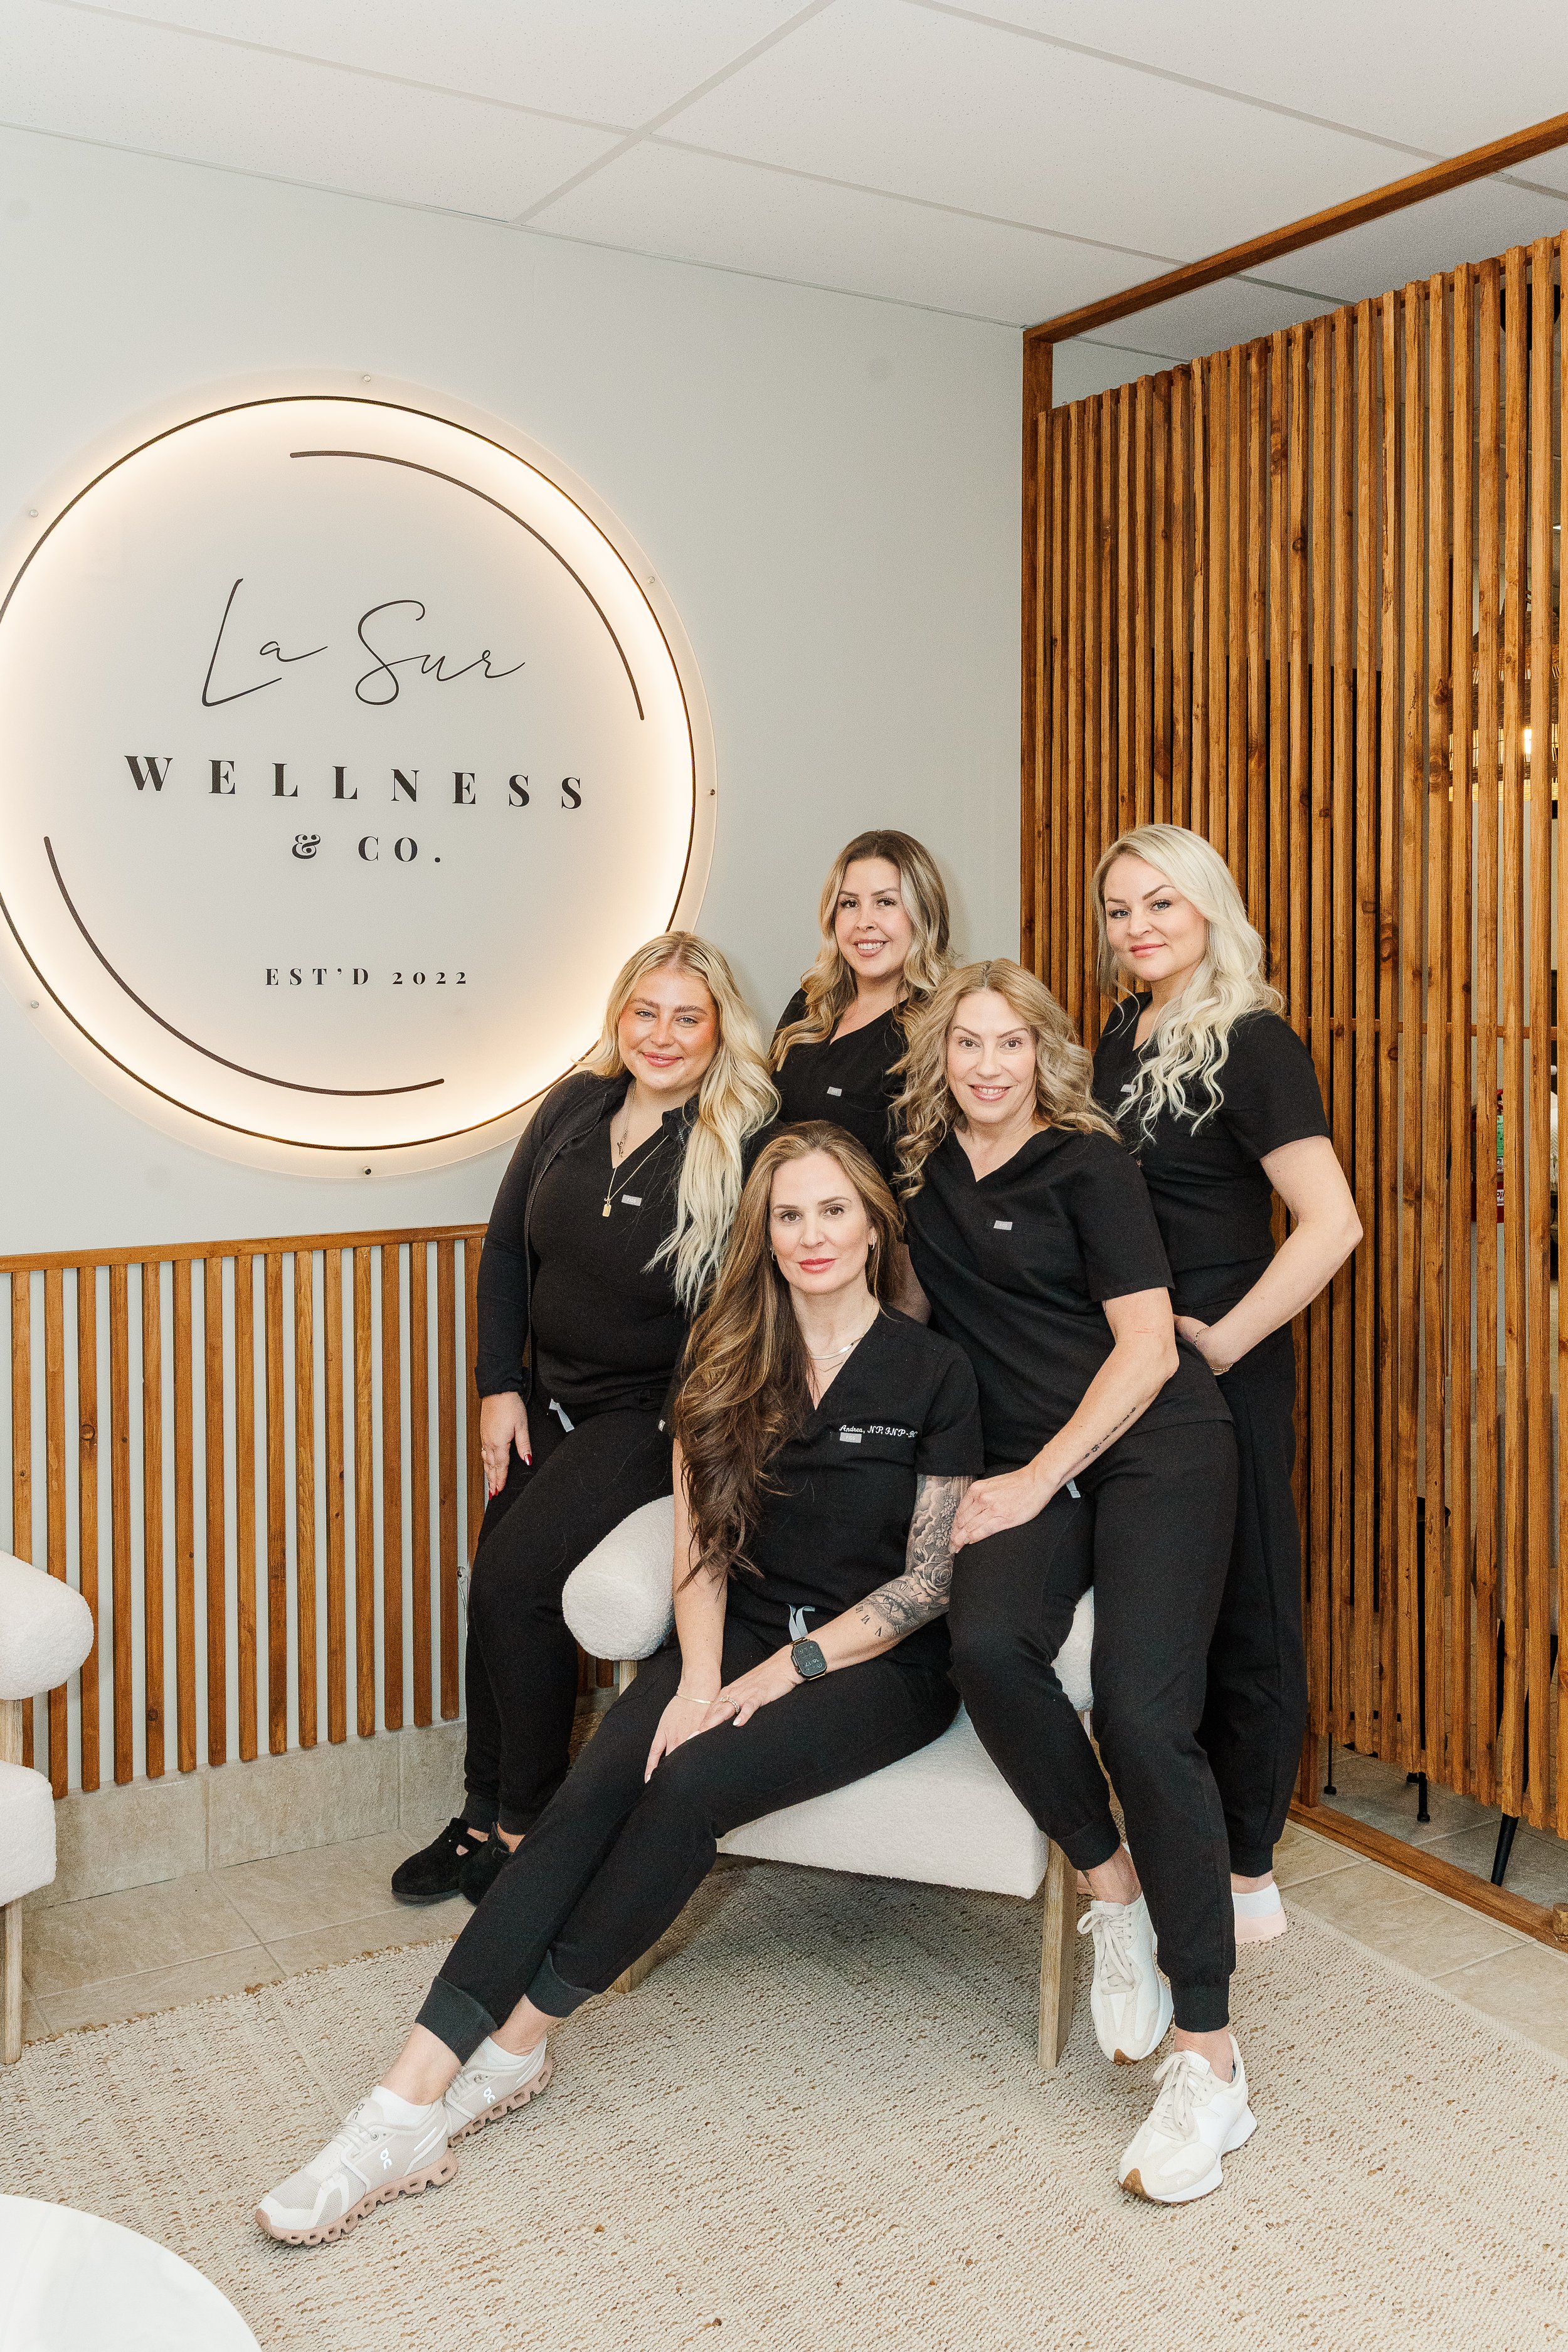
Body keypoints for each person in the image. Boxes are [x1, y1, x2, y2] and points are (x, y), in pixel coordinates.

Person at [257, 1125, 982, 2247]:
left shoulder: (935, 1372)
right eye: (788, 1215)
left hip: (872, 1665)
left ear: (875, 1222)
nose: (812, 1235)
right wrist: (697, 1679)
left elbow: (929, 1581)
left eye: (834, 1211)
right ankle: (399, 2104)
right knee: (592, 1795)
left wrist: (792, 1668)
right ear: (765, 1233)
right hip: (731, 1634)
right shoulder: (729, 1352)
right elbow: (699, 1544)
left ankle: (518, 2044)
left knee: (687, 1789)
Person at [896, 959, 1252, 2206]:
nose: (986, 1064)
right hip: (1022, 1470)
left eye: (1008, 1043)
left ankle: (1210, 2065)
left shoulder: (1088, 1165)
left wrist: (1041, 1476)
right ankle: (1112, 1894)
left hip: (1150, 1446)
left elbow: (1148, 1348)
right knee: (986, 1649)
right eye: (965, 1044)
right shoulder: (925, 1182)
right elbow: (909, 1327)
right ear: (938, 1057)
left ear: (1041, 1054)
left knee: (1147, 1719)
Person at [390, 934, 775, 1909]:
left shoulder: (746, 1136)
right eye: (645, 1010)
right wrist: (497, 1383)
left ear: (719, 1026)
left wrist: (692, 1434)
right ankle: (480, 1808)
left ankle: (527, 1827)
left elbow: (740, 1311)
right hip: (541, 1398)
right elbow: (505, 1250)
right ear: (619, 1015)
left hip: (645, 1414)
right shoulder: (573, 1105)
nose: (662, 1033)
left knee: (519, 1586)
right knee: (491, 1590)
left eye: (688, 1015)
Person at [1091, 825, 1362, 1944]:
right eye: (1119, 910)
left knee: (1248, 1605)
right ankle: (1180, 1838)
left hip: (1220, 1361)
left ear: (1209, 908)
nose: (1140, 927)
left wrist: (1229, 1341)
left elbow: (1331, 1223)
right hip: (1138, 1361)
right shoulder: (1120, 1031)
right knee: (1170, 1611)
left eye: (1162, 904)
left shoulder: (1254, 1040)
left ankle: (1249, 1865)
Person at [771, 829, 953, 1180]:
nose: (863, 922)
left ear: (923, 913)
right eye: (849, 903)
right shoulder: (810, 1005)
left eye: (885, 902)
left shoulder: (943, 1025)